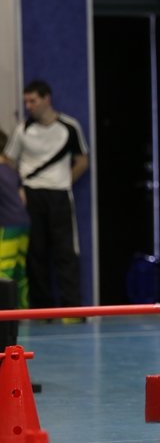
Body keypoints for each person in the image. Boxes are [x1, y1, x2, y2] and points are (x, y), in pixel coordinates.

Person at [4, 80, 88, 318]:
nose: (28, 105)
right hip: (32, 196)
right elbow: (9, 160)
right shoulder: (23, 129)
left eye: (33, 100)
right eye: (26, 101)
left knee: (65, 253)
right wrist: (19, 187)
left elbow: (82, 160)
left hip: (60, 195)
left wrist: (64, 181)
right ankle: (42, 311)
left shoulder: (69, 126)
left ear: (46, 99)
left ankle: (72, 311)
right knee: (36, 254)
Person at [0, 128, 30, 349]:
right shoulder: (11, 169)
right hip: (23, 224)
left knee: (4, 272)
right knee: (19, 271)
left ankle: (6, 317)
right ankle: (22, 312)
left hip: (8, 226)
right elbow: (22, 197)